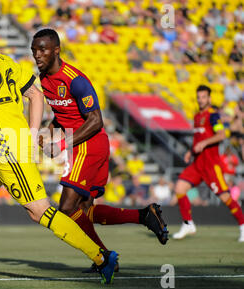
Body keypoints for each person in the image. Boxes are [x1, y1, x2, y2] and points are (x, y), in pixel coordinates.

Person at [0, 13, 118, 284]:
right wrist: (31, 134)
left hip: (8, 148)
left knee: (39, 211)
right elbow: (35, 93)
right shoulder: (2, 59)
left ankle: (102, 257)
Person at [31, 29, 168, 272]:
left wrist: (61, 144)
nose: (37, 55)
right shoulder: (43, 79)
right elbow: (62, 116)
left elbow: (96, 120)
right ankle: (144, 216)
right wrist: (47, 132)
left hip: (89, 145)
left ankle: (103, 258)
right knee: (85, 211)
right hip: (85, 146)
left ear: (56, 50)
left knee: (66, 209)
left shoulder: (76, 80)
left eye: (42, 49)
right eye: (34, 50)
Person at [173, 85, 244, 242]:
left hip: (211, 166)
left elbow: (221, 135)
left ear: (209, 98)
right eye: (199, 97)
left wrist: (204, 144)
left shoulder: (213, 116)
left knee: (225, 197)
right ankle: (188, 223)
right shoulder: (197, 116)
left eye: (204, 97)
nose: (201, 100)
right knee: (179, 188)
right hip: (198, 164)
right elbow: (198, 139)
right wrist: (191, 151)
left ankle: (243, 226)